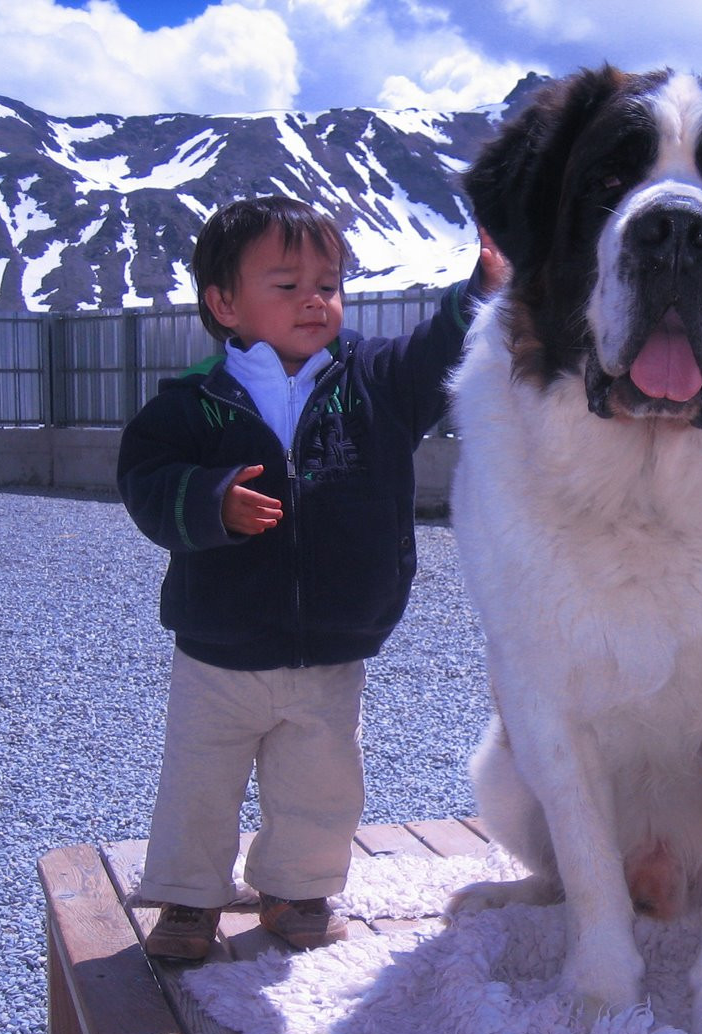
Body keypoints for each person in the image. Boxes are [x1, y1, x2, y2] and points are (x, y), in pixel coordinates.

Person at [117, 195, 504, 960]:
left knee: (320, 785)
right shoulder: (193, 401)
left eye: (327, 283)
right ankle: (189, 902)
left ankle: (298, 893)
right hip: (218, 648)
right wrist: (210, 500)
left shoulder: (375, 381)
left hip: (333, 644)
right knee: (200, 781)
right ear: (224, 303)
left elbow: (435, 352)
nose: (315, 300)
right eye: (286, 284)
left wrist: (479, 292)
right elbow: (145, 479)